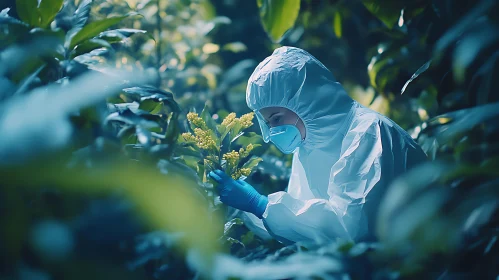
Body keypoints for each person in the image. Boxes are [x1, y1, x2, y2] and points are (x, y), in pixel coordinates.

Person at [209, 46, 427, 246]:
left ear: (306, 99)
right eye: (268, 123)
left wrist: (260, 204)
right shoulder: (308, 147)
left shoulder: (369, 133)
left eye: (276, 119)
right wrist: (249, 209)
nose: (273, 131)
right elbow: (304, 228)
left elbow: (350, 230)